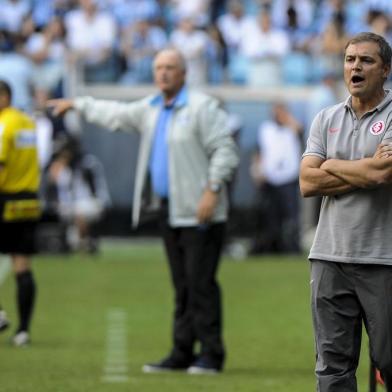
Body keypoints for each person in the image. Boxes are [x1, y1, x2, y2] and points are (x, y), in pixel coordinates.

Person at [48, 48, 239, 373]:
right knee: (182, 285)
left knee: (201, 283)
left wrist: (213, 188)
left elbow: (226, 149)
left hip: (201, 212)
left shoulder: (201, 107)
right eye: (158, 67)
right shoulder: (151, 108)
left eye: (170, 67)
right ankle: (181, 352)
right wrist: (79, 105)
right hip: (170, 210)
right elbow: (116, 113)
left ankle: (211, 355)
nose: (163, 73)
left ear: (183, 74)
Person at [300, 32, 392, 391]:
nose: (355, 67)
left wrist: (331, 165)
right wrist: (362, 169)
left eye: (366, 61)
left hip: (383, 257)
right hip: (328, 255)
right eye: (350, 59)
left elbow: (382, 174)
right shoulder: (325, 118)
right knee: (332, 366)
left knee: (388, 360)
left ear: (385, 69)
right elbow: (307, 183)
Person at [0, 80, 41, 346]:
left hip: (5, 199)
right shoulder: (28, 123)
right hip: (29, 201)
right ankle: (24, 330)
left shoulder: (5, 124)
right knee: (21, 264)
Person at [250, 102, 303, 254]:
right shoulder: (266, 129)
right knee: (270, 216)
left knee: (291, 216)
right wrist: (258, 171)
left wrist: (287, 119)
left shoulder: (292, 128)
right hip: (270, 179)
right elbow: (259, 151)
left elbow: (300, 131)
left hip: (289, 178)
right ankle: (271, 246)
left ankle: (292, 247)